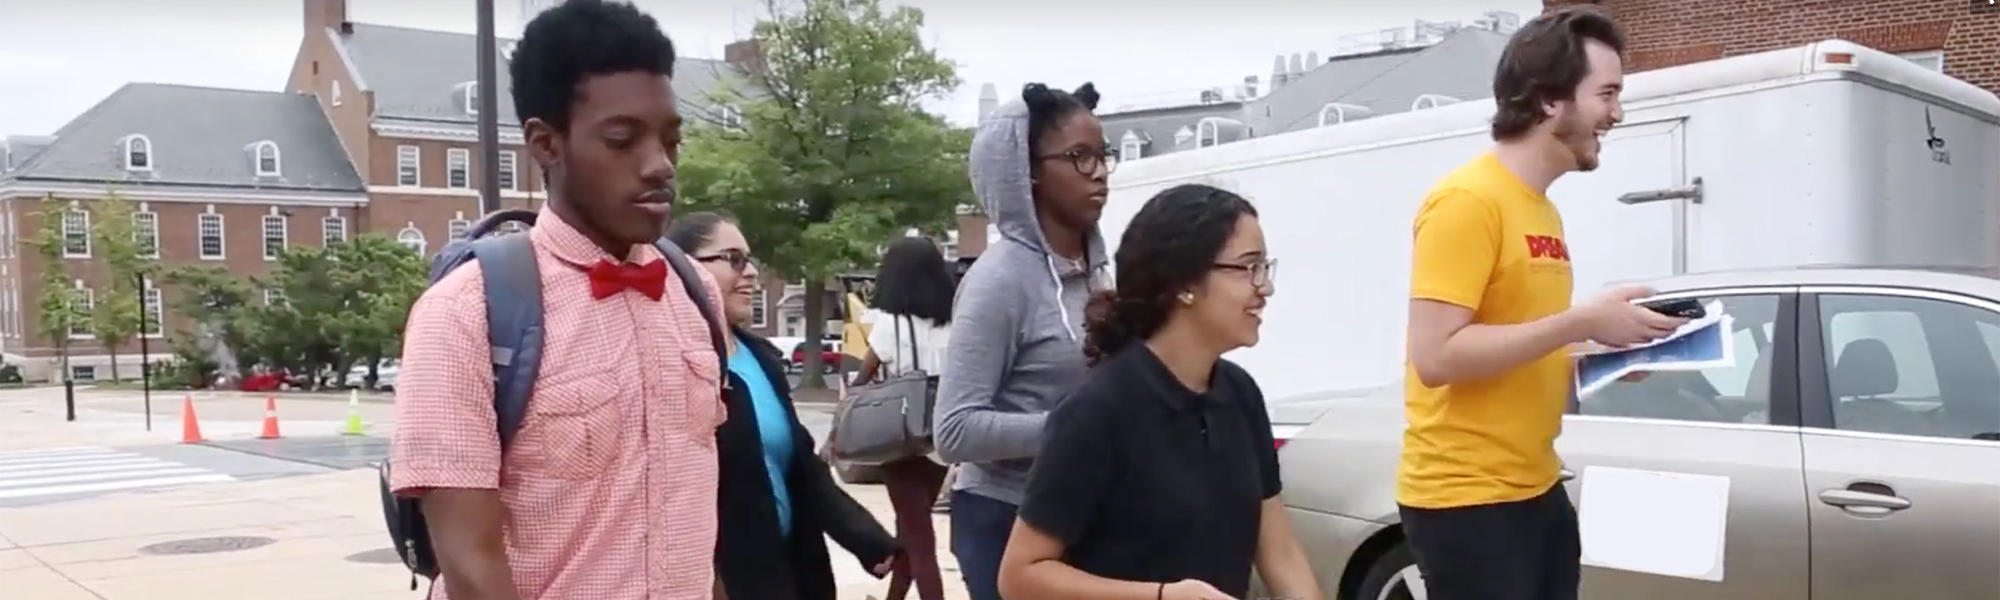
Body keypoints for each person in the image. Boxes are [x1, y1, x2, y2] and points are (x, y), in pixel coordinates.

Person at [387, 2, 728, 599]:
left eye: (670, 140)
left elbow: (695, 514)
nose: (660, 166)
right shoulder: (467, 311)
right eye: (623, 141)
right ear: (546, 144)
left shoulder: (694, 292)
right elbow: (471, 567)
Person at [1397, 7, 1687, 600]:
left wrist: (1600, 357)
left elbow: (1517, 344)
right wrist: (1582, 319)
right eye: (1606, 93)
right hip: (1467, 500)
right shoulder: (1466, 201)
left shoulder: (1541, 208)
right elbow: (1436, 356)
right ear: (1551, 100)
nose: (1617, 113)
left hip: (1534, 487)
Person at [997, 183, 1320, 600]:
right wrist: (1162, 596)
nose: (1265, 287)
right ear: (1184, 284)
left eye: (1265, 267)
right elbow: (1020, 576)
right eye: (1247, 268)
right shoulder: (1098, 411)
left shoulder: (1240, 394)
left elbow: (1280, 554)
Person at [934, 81, 1112, 600]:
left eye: (1103, 155)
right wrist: (1078, 430)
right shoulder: (999, 280)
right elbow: (954, 430)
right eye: (1079, 157)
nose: (1098, 171)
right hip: (1002, 518)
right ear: (1025, 169)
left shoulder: (1097, 272)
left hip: (1083, 513)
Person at [667, 212, 900, 600]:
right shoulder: (675, 363)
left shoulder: (761, 358)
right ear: (686, 268)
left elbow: (802, 469)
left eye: (750, 259)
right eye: (734, 259)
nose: (752, 273)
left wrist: (868, 539)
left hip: (792, 570)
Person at [845, 236, 958, 600]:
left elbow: (862, 379)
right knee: (911, 529)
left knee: (920, 541)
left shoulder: (890, 325)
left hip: (898, 441)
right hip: (939, 441)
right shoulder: (955, 324)